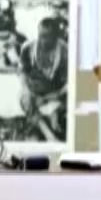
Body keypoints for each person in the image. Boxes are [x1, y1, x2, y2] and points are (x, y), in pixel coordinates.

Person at [18, 14, 69, 142]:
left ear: (56, 37)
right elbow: (23, 71)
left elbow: (71, 80)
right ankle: (47, 133)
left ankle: (55, 114)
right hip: (34, 90)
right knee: (25, 100)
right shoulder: (28, 48)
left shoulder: (65, 51)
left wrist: (57, 94)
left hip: (56, 91)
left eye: (47, 37)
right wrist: (25, 89)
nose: (43, 40)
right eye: (41, 36)